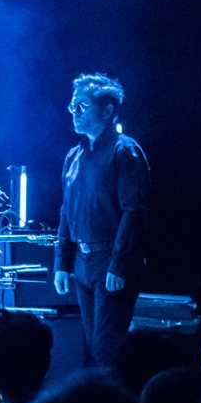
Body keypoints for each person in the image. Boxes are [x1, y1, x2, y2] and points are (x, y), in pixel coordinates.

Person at [52, 73, 149, 370]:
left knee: (107, 349)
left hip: (109, 259)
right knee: (94, 347)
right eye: (72, 107)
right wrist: (62, 263)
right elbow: (66, 211)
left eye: (81, 106)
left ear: (107, 111)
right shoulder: (74, 156)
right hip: (83, 262)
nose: (74, 113)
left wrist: (118, 264)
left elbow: (133, 212)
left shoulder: (125, 151)